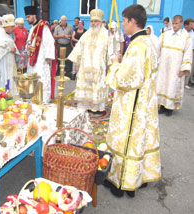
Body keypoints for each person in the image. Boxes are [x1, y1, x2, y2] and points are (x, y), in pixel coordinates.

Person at [105, 4, 161, 198]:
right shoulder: (149, 42)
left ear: (132, 21)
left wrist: (114, 66)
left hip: (132, 105)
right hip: (144, 102)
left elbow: (125, 80)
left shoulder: (137, 46)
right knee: (139, 139)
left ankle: (120, 183)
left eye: (124, 20)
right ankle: (136, 178)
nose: (122, 25)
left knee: (126, 141)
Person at [68, 9, 110, 113]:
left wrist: (109, 67)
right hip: (85, 67)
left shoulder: (106, 35)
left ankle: (97, 107)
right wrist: (77, 64)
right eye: (92, 21)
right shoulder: (86, 34)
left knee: (97, 87)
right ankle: (85, 106)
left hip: (99, 68)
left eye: (96, 21)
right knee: (85, 86)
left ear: (100, 22)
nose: (93, 24)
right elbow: (78, 49)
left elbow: (110, 52)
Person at [157, 15, 192, 116]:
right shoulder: (165, 35)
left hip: (176, 67)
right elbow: (157, 49)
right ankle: (162, 106)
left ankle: (170, 108)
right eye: (173, 23)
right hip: (164, 66)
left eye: (177, 24)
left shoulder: (185, 37)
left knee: (172, 86)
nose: (175, 26)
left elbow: (188, 53)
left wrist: (184, 68)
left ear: (181, 24)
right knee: (162, 85)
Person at [24, 6, 56, 102]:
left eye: (29, 16)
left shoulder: (43, 26)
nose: (27, 19)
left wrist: (49, 57)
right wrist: (27, 48)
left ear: (34, 15)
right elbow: (29, 42)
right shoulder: (32, 28)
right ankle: (33, 99)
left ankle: (44, 101)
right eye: (26, 17)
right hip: (32, 59)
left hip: (41, 59)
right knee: (32, 80)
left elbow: (49, 41)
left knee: (42, 79)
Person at [183, 18, 194, 89]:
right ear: (186, 25)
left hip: (192, 51)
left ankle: (186, 83)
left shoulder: (193, 33)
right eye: (191, 25)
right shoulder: (182, 33)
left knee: (190, 67)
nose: (192, 26)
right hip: (184, 51)